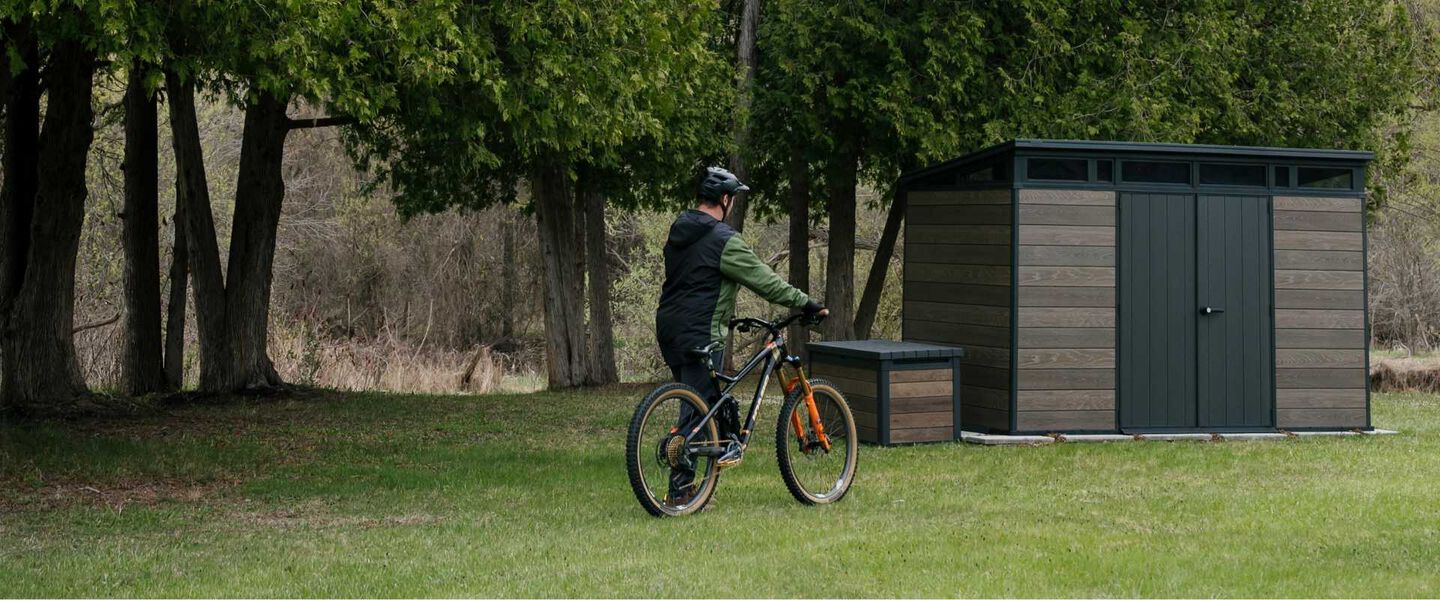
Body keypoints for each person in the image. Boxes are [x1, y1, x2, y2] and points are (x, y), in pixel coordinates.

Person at [654, 166, 827, 504]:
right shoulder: (723, 240)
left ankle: (693, 484)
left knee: (698, 403)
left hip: (669, 328)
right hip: (700, 330)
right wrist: (805, 302)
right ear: (725, 199)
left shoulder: (680, 228)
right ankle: (681, 492)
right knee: (699, 410)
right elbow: (764, 280)